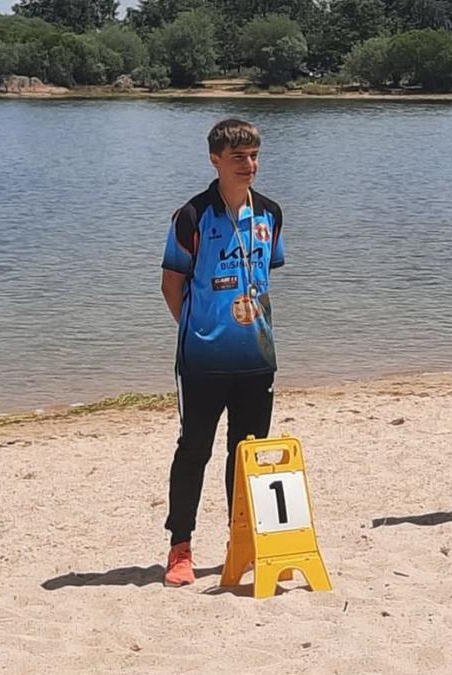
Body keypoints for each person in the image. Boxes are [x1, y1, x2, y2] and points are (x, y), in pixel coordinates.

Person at [160, 118, 286, 587]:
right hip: (202, 360)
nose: (249, 165)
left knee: (248, 454)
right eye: (239, 158)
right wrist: (198, 332)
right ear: (215, 160)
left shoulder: (270, 213)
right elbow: (171, 284)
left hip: (257, 357)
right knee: (194, 451)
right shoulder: (192, 217)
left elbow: (269, 272)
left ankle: (242, 542)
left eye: (254, 156)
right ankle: (180, 547)